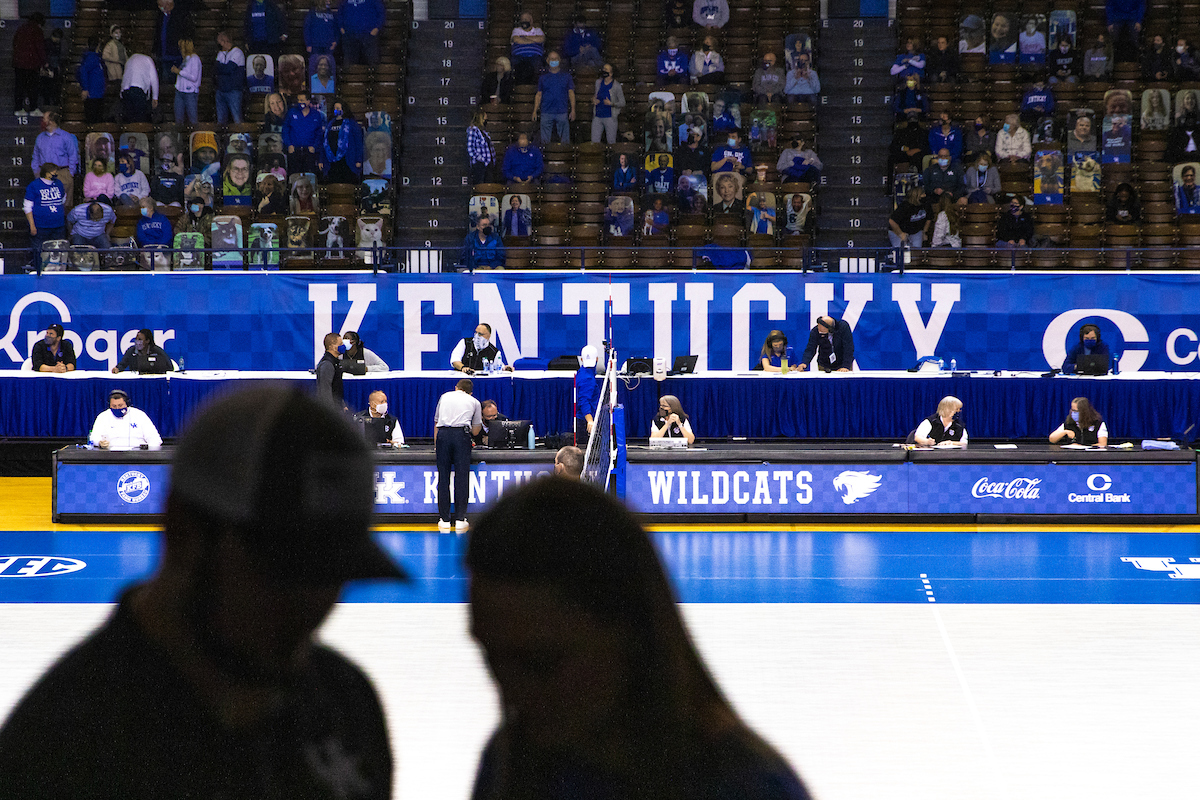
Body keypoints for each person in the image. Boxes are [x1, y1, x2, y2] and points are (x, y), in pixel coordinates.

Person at [0, 386, 403, 797]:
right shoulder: (63, 746)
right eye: (286, 569)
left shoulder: (346, 705)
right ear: (183, 530)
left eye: (332, 573)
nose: (312, 604)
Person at [464, 478, 813, 800]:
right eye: (491, 657)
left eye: (542, 663)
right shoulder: (512, 764)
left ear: (626, 630)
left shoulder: (746, 786)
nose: (513, 691)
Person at [433, 378, 482, 532]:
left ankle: (444, 520)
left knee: (443, 477)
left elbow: (437, 422)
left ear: (456, 388)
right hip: (462, 436)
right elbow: (475, 430)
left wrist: (437, 444)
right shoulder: (474, 401)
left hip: (444, 435)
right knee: (462, 477)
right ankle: (460, 519)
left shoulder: (444, 396)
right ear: (470, 392)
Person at [85, 389, 163, 450]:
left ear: (127, 404)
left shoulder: (139, 415)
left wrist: (150, 452)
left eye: (120, 405)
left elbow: (155, 438)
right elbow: (94, 437)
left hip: (137, 454)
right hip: (110, 455)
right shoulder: (103, 416)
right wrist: (99, 442)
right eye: (114, 406)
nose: (117, 408)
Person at [31, 112, 79, 209]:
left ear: (51, 121)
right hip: (44, 174)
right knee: (45, 204)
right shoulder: (40, 138)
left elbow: (73, 156)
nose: (42, 121)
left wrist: (70, 173)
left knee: (65, 205)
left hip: (62, 172)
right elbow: (35, 156)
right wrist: (36, 171)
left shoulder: (66, 137)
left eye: (44, 119)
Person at [24, 163, 66, 265]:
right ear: (47, 173)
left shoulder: (59, 184)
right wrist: (32, 226)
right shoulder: (34, 186)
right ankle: (39, 271)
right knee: (39, 252)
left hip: (58, 226)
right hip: (40, 226)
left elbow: (63, 200)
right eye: (54, 172)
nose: (56, 173)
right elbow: (27, 207)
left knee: (58, 253)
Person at [531, 51, 575, 145]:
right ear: (547, 61)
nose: (553, 61)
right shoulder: (543, 78)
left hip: (562, 111)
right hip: (546, 111)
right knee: (544, 142)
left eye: (555, 59)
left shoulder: (567, 77)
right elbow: (539, 94)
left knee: (565, 142)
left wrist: (573, 110)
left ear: (559, 60)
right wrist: (535, 110)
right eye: (551, 59)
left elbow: (571, 93)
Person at [11, 13, 46, 116]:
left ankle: (18, 109)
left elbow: (14, 42)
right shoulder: (37, 30)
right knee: (33, 87)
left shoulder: (21, 28)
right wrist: (44, 62)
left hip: (18, 63)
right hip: (32, 64)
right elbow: (40, 47)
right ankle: (33, 108)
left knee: (19, 87)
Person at [283, 92, 326, 175]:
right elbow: (285, 130)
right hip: (295, 151)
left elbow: (319, 133)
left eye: (302, 100)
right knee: (294, 176)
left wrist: (314, 146)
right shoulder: (292, 112)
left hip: (309, 152)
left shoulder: (316, 114)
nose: (300, 102)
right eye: (298, 100)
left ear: (308, 101)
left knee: (310, 176)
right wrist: (289, 145)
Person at [120, 42, 160, 123]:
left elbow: (124, 77)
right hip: (139, 91)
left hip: (126, 91)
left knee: (129, 119)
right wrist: (155, 97)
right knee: (140, 119)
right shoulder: (148, 59)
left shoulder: (129, 60)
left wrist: (121, 94)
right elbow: (154, 80)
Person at [214, 31, 245, 124]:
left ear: (225, 41)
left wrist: (221, 67)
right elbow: (215, 68)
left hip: (233, 90)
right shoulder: (221, 53)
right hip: (221, 90)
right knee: (221, 121)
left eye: (220, 43)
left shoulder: (237, 52)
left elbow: (228, 68)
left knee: (237, 119)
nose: (219, 45)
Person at [591, 64, 625, 144]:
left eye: (606, 69)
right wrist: (594, 100)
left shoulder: (616, 86)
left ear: (611, 73)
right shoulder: (598, 82)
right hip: (597, 115)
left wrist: (611, 103)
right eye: (603, 68)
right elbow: (595, 95)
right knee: (595, 142)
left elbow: (622, 102)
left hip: (610, 117)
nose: (604, 70)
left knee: (611, 142)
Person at [575, 344, 601, 448]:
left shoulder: (581, 373)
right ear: (597, 359)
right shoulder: (588, 379)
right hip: (585, 423)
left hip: (582, 420)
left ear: (581, 359)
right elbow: (584, 401)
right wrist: (590, 421)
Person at [78, 36, 108, 124]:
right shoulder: (92, 58)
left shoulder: (96, 58)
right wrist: (85, 88)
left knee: (97, 120)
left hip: (98, 94)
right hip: (93, 95)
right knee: (93, 120)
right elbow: (83, 71)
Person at [510, 12, 545, 85]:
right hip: (519, 56)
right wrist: (533, 40)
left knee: (537, 66)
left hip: (535, 56)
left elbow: (541, 39)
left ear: (531, 21)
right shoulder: (516, 30)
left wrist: (523, 38)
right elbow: (516, 39)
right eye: (522, 19)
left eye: (526, 19)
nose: (523, 21)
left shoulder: (538, 30)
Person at [172, 38, 202, 125]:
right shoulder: (185, 59)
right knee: (178, 120)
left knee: (193, 119)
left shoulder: (194, 59)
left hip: (190, 92)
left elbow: (194, 77)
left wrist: (179, 72)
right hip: (180, 91)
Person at [315, 331, 346, 409]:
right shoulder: (327, 364)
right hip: (331, 410)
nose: (343, 346)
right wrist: (330, 412)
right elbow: (325, 391)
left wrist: (342, 405)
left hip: (337, 407)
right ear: (332, 346)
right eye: (340, 344)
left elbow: (337, 387)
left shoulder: (335, 362)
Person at [468, 109, 496, 185]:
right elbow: (470, 149)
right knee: (480, 185)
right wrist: (481, 159)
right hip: (480, 165)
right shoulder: (473, 130)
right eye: (485, 117)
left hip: (488, 164)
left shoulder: (483, 131)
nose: (486, 119)